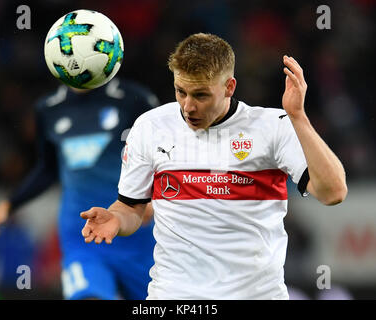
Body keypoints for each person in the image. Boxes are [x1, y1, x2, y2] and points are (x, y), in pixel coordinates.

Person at [80, 33, 347, 299]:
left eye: (201, 95)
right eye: (180, 92)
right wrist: (115, 218)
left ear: (229, 87)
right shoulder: (150, 127)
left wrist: (298, 117)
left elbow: (333, 192)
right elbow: (132, 207)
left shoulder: (272, 127)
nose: (188, 106)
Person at [0, 77, 158, 300]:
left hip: (137, 236)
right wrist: (9, 205)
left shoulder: (136, 100)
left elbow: (161, 157)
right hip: (82, 236)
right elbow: (48, 169)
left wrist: (150, 199)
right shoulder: (48, 109)